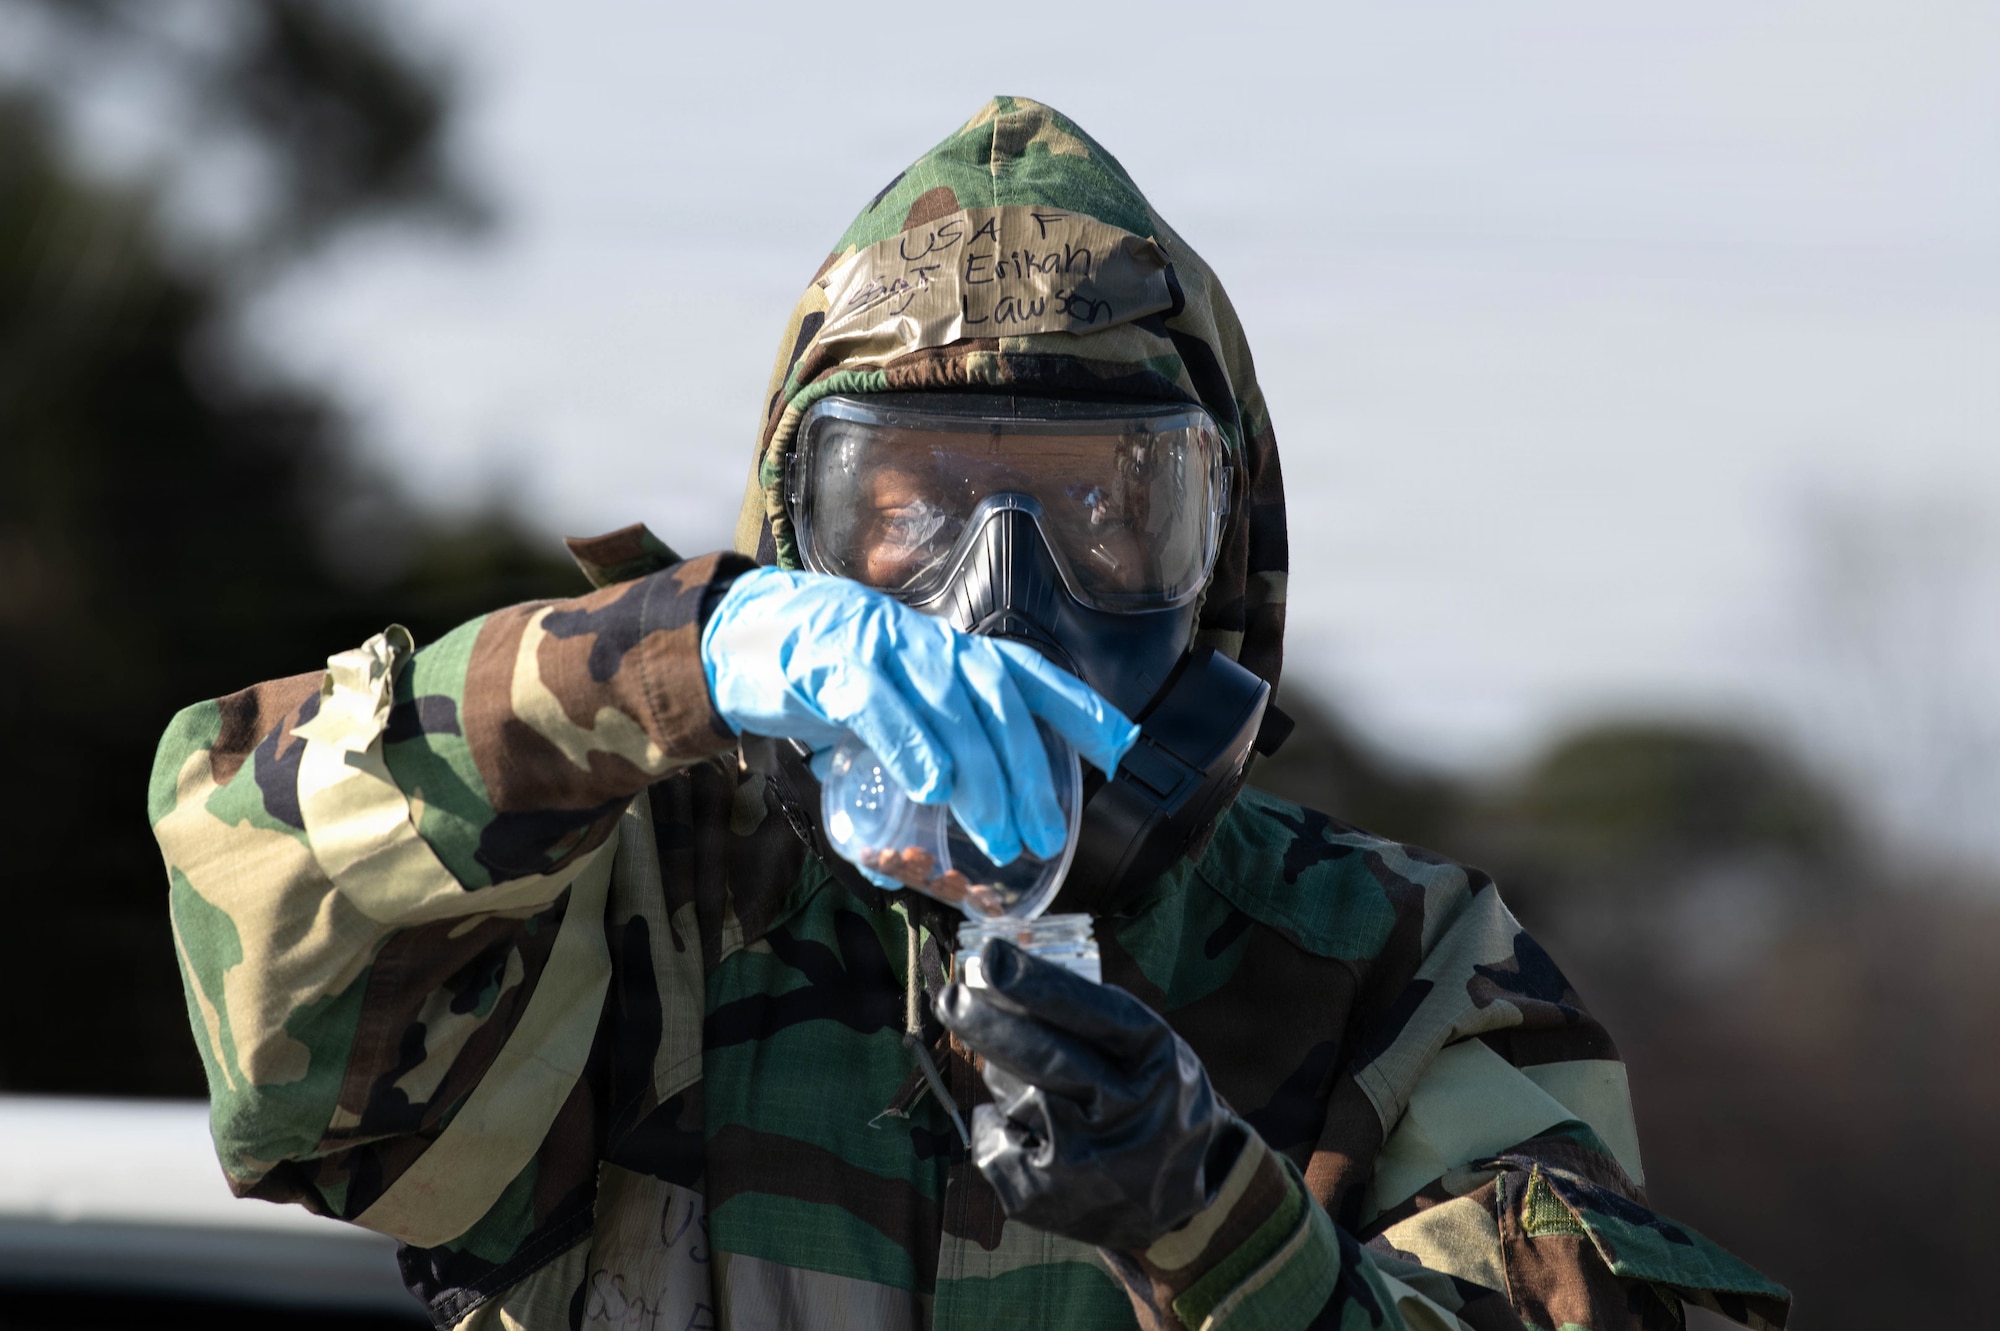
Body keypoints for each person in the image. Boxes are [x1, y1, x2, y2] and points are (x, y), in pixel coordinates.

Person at [149, 97, 1790, 1331]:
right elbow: (264, 920)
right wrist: (661, 661)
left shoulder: (1392, 970)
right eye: (908, 506)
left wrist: (1213, 1221)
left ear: (1222, 563)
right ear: (798, 539)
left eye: (1105, 511)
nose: (1000, 593)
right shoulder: (624, 914)